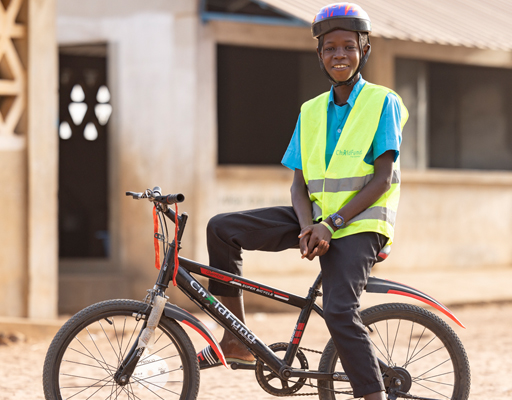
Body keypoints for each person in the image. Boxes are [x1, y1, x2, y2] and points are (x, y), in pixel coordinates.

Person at [197, 3, 408, 399]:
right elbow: (299, 184)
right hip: (313, 217)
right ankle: (236, 339)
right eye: (330, 48)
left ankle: (373, 394)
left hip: (360, 224)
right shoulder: (310, 111)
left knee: (340, 311)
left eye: (348, 46)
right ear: (319, 54)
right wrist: (309, 223)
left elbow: (382, 180)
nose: (339, 55)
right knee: (222, 229)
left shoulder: (384, 102)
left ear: (365, 49)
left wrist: (331, 225)